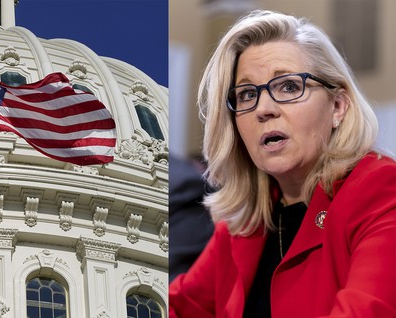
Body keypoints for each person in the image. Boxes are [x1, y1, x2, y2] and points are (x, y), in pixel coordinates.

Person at [169, 10, 396, 317]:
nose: (263, 109)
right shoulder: (243, 224)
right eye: (247, 94)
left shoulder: (380, 190)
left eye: (289, 86)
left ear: (338, 106)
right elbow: (179, 307)